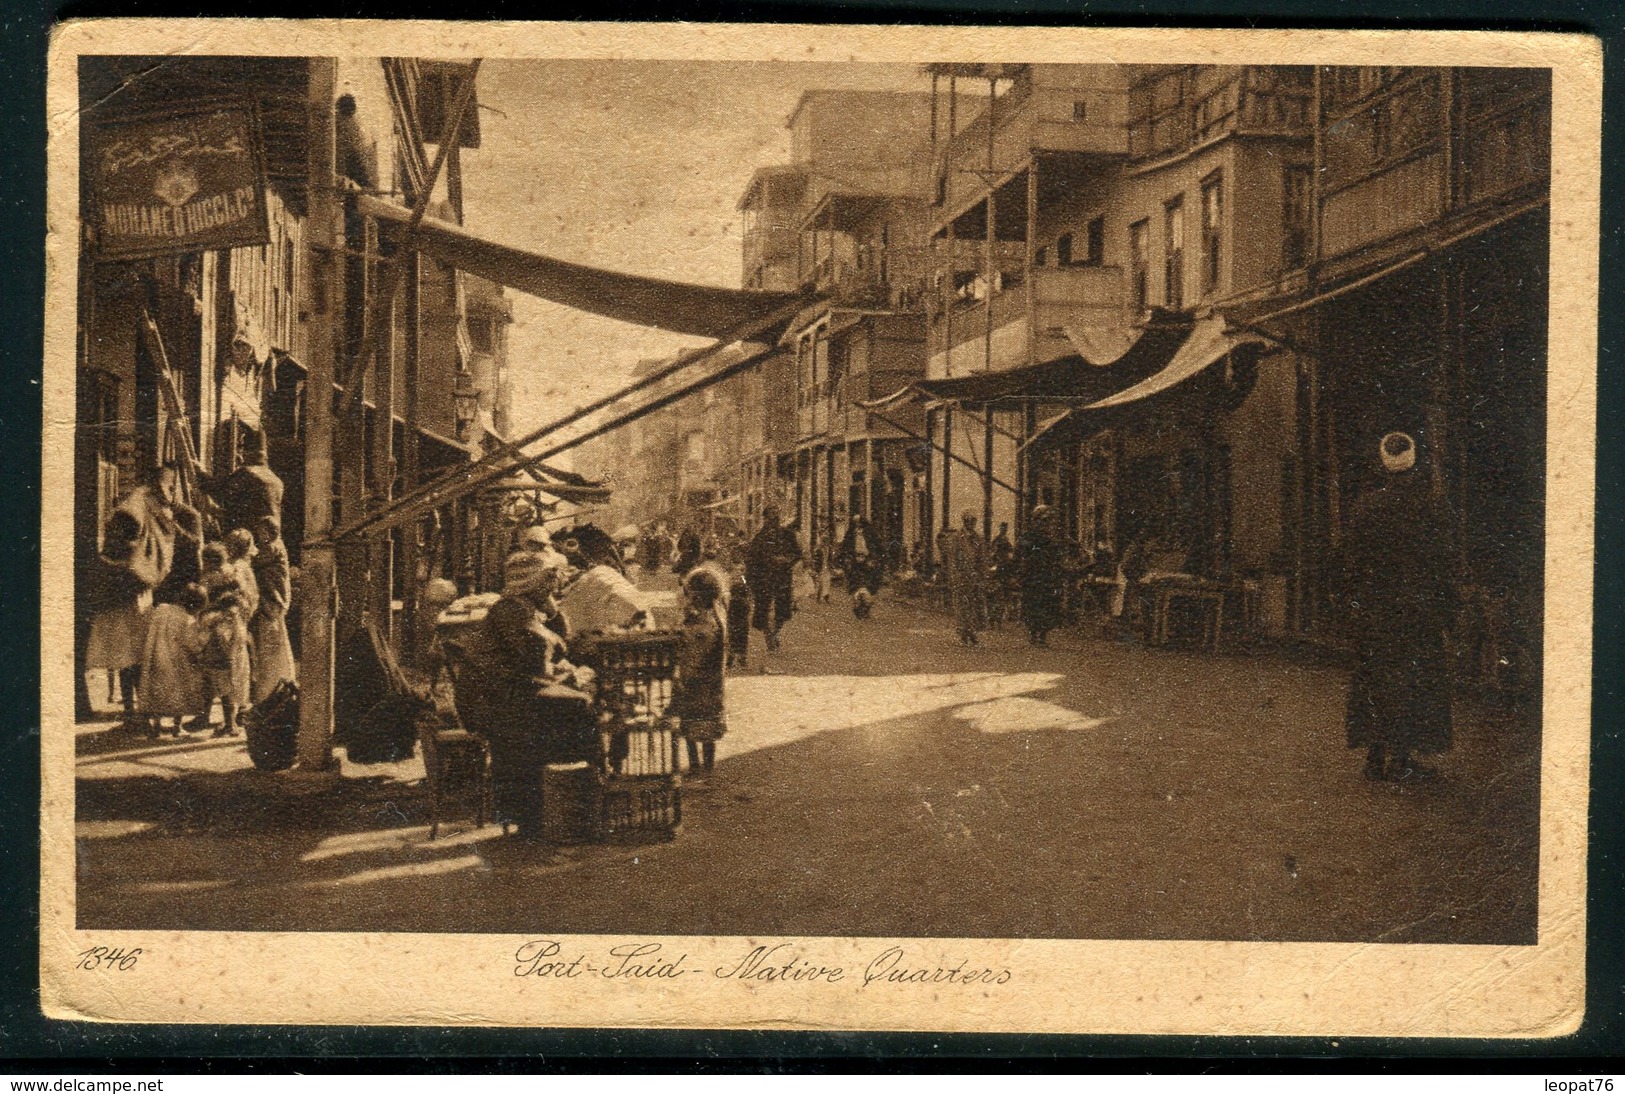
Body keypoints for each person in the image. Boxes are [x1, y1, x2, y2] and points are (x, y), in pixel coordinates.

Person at [453, 551, 597, 838]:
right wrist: (570, 671)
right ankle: (554, 808)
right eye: (549, 581)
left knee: (569, 710)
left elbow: (543, 656)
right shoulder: (514, 611)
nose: (555, 586)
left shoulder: (522, 608)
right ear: (535, 583)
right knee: (578, 711)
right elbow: (536, 661)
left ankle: (553, 807)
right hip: (494, 703)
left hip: (506, 696)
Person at [1343, 431, 1458, 782]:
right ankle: (1403, 757)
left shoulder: (1364, 507)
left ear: (1383, 463)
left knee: (1375, 678)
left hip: (1376, 609)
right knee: (1414, 679)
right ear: (1414, 463)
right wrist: (1447, 612)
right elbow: (1443, 564)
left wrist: (1353, 604)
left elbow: (1349, 562)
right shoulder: (1431, 508)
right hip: (1417, 609)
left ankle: (1376, 757)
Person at [86, 464, 202, 728]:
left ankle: (134, 713)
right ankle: (136, 713)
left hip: (133, 591)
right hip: (134, 591)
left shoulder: (145, 507)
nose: (171, 493)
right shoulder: (144, 507)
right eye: (169, 487)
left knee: (132, 656)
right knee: (133, 656)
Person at [674, 567, 728, 776]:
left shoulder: (701, 620)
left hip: (696, 678)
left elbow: (693, 650)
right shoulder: (716, 614)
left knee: (692, 722)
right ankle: (706, 764)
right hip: (712, 680)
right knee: (707, 723)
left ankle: (698, 764)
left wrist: (683, 675)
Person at [138, 583, 208, 739]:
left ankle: (156, 726)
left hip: (156, 658)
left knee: (157, 692)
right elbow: (191, 643)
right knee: (178, 693)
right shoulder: (187, 619)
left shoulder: (161, 610)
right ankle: (177, 726)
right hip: (177, 661)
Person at [195, 553, 251, 738]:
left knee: (225, 691)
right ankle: (217, 720)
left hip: (222, 659)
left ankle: (230, 724)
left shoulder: (221, 619)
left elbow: (222, 639)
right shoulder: (235, 614)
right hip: (228, 657)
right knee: (219, 689)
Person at [248, 517, 296, 702]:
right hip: (272, 601)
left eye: (262, 531)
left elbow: (257, 560)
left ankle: (271, 686)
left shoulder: (273, 547)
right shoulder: (275, 545)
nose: (259, 535)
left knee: (271, 645)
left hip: (272, 601)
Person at [744, 506, 801, 652]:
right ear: (765, 519)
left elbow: (797, 553)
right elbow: (751, 560)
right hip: (765, 579)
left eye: (776, 517)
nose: (774, 520)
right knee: (763, 610)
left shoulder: (787, 535)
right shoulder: (759, 538)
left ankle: (774, 632)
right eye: (771, 517)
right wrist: (750, 582)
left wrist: (787, 560)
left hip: (782, 578)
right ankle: (769, 634)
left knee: (783, 611)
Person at [213, 430, 284, 541]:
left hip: (247, 541)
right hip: (270, 540)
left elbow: (218, 489)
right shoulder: (276, 480)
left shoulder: (247, 473)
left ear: (245, 452)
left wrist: (199, 473)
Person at [1017, 505, 1069, 646]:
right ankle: (1034, 633)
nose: (1045, 524)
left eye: (1048, 521)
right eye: (1042, 520)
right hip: (1033, 576)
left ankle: (1043, 635)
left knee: (1049, 605)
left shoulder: (1053, 538)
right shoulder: (1028, 536)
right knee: (1032, 605)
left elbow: (1058, 555)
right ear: (1035, 520)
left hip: (1049, 576)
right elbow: (1021, 553)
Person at [941, 510, 990, 646]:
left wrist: (982, 574)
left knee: (974, 605)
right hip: (961, 577)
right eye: (968, 521)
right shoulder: (956, 538)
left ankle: (972, 632)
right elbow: (952, 560)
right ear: (964, 522)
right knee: (962, 606)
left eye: (973, 521)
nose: (971, 523)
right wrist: (954, 575)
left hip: (974, 577)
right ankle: (963, 634)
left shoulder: (978, 538)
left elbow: (982, 558)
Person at [837, 515, 883, 618]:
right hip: (854, 562)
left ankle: (866, 608)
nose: (857, 525)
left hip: (868, 560)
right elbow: (845, 547)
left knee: (868, 585)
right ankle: (858, 607)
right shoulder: (851, 534)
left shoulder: (870, 532)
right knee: (856, 585)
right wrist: (846, 559)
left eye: (859, 522)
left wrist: (874, 558)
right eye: (855, 523)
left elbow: (877, 546)